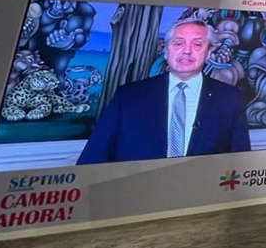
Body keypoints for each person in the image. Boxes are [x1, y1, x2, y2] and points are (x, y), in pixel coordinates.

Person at [77, 19, 251, 165]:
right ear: (166, 51)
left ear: (208, 53)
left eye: (197, 44)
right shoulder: (128, 97)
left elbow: (239, 162)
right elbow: (92, 159)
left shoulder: (230, 99)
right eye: (178, 43)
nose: (187, 51)